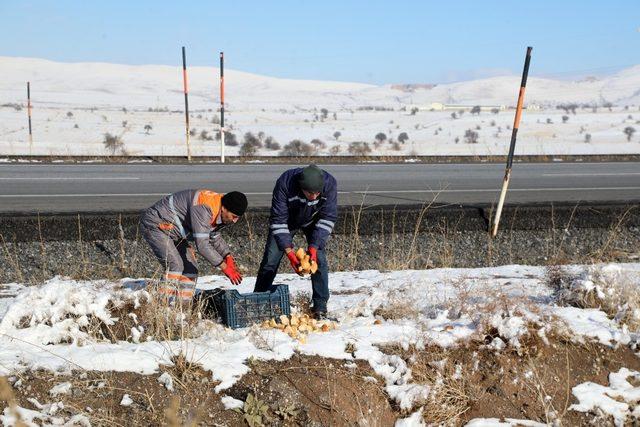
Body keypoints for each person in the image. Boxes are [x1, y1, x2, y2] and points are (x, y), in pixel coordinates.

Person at [254, 165, 338, 319]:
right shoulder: (285, 182)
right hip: (286, 221)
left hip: (314, 221)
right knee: (270, 259)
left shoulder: (330, 183)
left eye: (317, 193)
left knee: (318, 259)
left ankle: (320, 306)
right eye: (309, 193)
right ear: (301, 186)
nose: (313, 197)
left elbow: (328, 218)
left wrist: (313, 247)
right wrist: (289, 253)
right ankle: (258, 301)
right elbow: (278, 219)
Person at [140, 189, 247, 301]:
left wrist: (227, 256)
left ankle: (182, 307)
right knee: (175, 265)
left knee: (191, 269)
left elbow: (214, 235)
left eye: (238, 218)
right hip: (156, 225)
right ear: (224, 208)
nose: (235, 221)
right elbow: (202, 245)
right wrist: (224, 267)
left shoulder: (219, 209)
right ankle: (161, 306)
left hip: (173, 231)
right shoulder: (204, 208)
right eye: (234, 216)